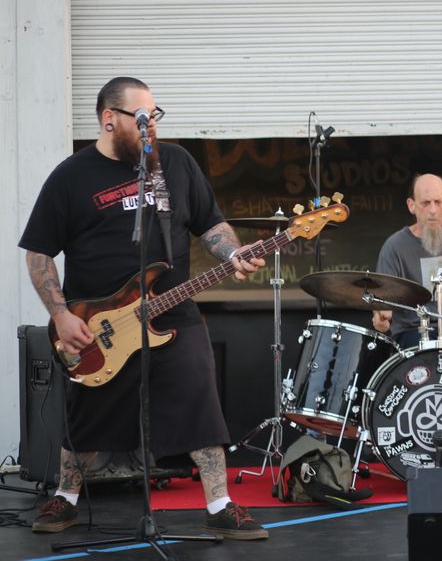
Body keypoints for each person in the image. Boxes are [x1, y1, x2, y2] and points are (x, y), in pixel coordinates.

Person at [19, 77, 269, 539]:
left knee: (199, 402)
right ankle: (66, 497)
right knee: (88, 411)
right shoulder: (71, 176)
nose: (150, 125)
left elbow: (211, 224)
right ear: (108, 119)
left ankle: (220, 504)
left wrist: (233, 253)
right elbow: (38, 252)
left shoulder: (175, 163)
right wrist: (61, 315)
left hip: (172, 311)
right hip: (98, 323)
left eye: (154, 115)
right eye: (140, 117)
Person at [372, 173, 442, 349]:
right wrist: (380, 316)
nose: (432, 210)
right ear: (411, 205)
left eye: (438, 202)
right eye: (425, 203)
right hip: (412, 333)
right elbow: (382, 301)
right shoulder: (394, 246)